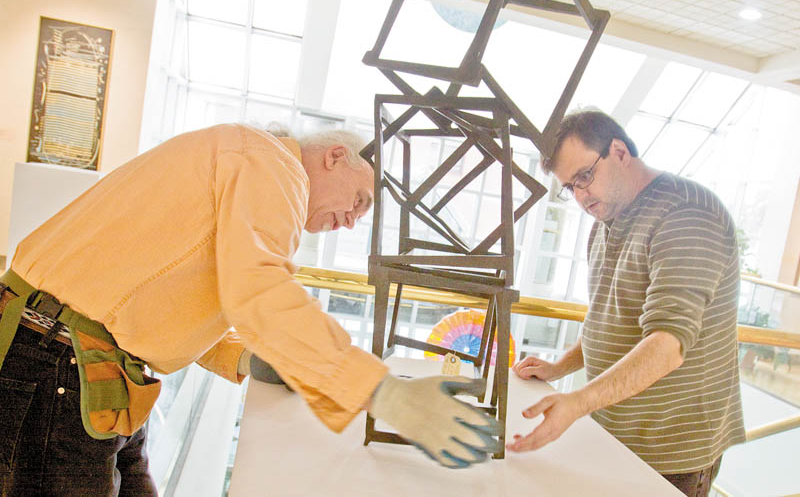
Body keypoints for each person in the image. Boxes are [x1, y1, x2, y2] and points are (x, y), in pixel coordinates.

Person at [0, 123, 501, 496]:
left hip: (92, 370)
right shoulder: (272, 165)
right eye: (361, 200)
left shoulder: (246, 162)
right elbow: (258, 289)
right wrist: (380, 391)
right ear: (335, 157)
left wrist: (246, 357)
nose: (352, 221)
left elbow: (168, 294)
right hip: (56, 359)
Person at [507, 110, 745, 497]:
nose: (581, 196)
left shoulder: (686, 213)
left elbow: (667, 346)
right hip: (616, 435)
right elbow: (609, 320)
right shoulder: (605, 221)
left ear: (618, 151)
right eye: (570, 187)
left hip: (672, 451)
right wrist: (559, 367)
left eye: (584, 176)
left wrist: (579, 401)